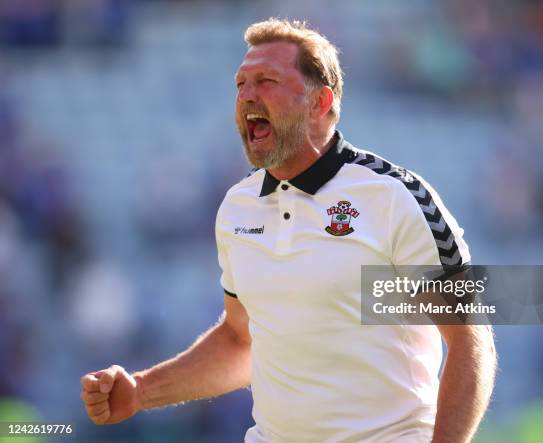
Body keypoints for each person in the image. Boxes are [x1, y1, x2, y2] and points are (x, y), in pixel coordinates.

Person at [80, 19, 497, 443]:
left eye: (267, 80)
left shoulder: (394, 196)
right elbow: (241, 340)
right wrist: (140, 392)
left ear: (320, 102)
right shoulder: (237, 208)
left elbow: (469, 341)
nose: (246, 95)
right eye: (241, 83)